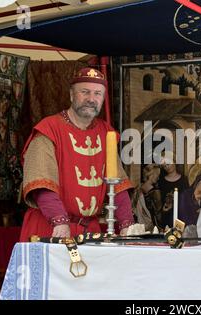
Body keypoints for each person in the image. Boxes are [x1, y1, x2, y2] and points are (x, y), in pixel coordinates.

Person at [20, 67, 134, 241]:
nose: (91, 99)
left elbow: (117, 185)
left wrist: (127, 224)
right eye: (85, 92)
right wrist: (59, 220)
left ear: (103, 99)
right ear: (72, 95)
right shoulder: (48, 130)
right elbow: (41, 183)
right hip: (50, 227)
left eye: (97, 94)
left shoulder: (105, 133)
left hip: (90, 231)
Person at [158, 153, 189, 229]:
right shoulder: (161, 181)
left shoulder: (184, 180)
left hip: (181, 215)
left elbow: (187, 198)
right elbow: (158, 200)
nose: (167, 167)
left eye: (168, 163)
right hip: (166, 216)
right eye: (164, 166)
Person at [132, 164, 163, 231]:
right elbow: (158, 212)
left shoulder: (138, 188)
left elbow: (133, 207)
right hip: (151, 226)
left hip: (138, 224)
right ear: (151, 175)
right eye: (157, 174)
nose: (158, 178)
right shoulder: (154, 191)